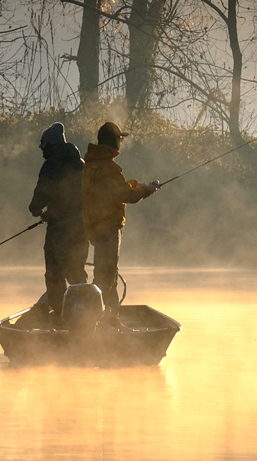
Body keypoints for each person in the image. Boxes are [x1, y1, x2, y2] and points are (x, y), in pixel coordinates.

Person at [81, 120, 161, 322]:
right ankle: (106, 320)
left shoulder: (91, 165)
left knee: (103, 273)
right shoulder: (109, 168)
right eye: (119, 139)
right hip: (108, 228)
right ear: (114, 142)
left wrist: (140, 185)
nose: (120, 143)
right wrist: (147, 190)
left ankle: (102, 317)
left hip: (94, 227)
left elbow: (113, 190)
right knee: (107, 276)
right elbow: (127, 195)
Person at [27, 122, 88, 315]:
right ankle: (83, 312)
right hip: (81, 229)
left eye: (43, 144)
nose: (41, 148)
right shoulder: (81, 165)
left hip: (58, 230)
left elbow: (42, 192)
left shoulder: (51, 165)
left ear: (52, 145)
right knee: (76, 271)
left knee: (54, 272)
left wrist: (35, 209)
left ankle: (60, 312)